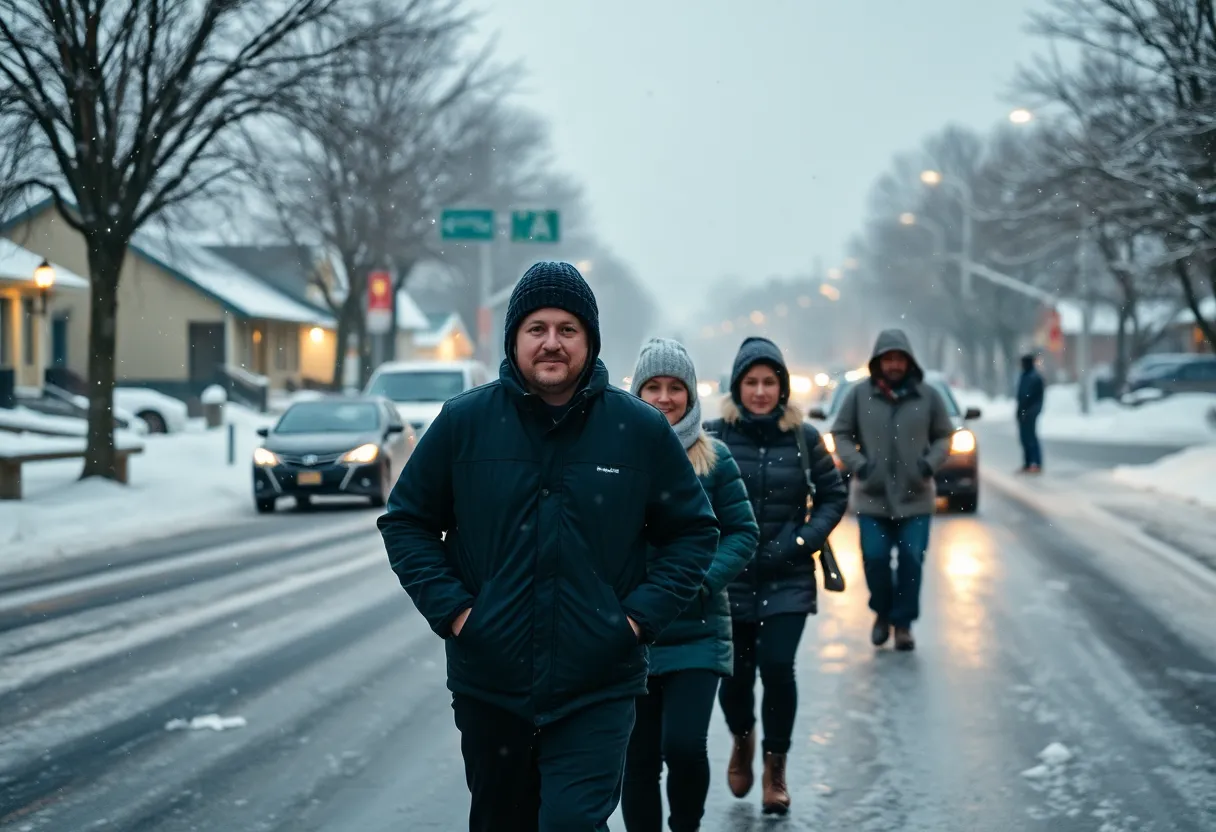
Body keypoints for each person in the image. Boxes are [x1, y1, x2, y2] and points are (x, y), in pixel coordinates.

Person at [378, 262, 720, 832]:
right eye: (537, 328)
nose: (552, 343)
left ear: (590, 340)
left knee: (571, 824)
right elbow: (407, 521)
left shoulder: (637, 429)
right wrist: (460, 613)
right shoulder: (466, 422)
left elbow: (694, 531)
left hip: (598, 682)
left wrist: (634, 621)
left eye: (568, 329)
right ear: (514, 338)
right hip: (491, 682)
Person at [704, 336, 848, 816]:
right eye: (752, 382)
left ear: (782, 388)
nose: (761, 391)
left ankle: (775, 767)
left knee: (779, 669)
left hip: (788, 578)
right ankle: (742, 740)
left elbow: (832, 495)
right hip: (731, 578)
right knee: (736, 677)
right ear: (737, 386)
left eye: (769, 382)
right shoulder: (714, 435)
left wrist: (802, 541)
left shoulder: (804, 438)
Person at [621, 338, 760, 832]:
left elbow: (743, 532)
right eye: (652, 387)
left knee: (682, 745)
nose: (663, 397)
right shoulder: (615, 456)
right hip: (631, 631)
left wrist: (699, 581)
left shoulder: (714, 459)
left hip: (697, 630)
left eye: (674, 387)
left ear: (690, 395)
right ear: (636, 392)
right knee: (637, 760)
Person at [829, 329, 954, 653]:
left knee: (912, 560)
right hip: (872, 497)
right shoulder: (859, 395)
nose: (894, 364)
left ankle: (903, 624)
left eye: (899, 359)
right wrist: (859, 464)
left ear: (909, 361)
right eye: (888, 359)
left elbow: (944, 435)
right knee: (875, 559)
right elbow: (840, 432)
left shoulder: (927, 396)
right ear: (878, 362)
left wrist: (929, 464)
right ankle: (882, 613)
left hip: (916, 497)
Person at [1016, 352, 1045, 473]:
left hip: (1031, 411)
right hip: (1023, 411)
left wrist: (1030, 411)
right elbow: (1021, 395)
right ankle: (1028, 463)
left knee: (1031, 437)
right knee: (1024, 438)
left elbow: (1033, 397)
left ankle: (1036, 463)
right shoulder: (1025, 376)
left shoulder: (1034, 377)